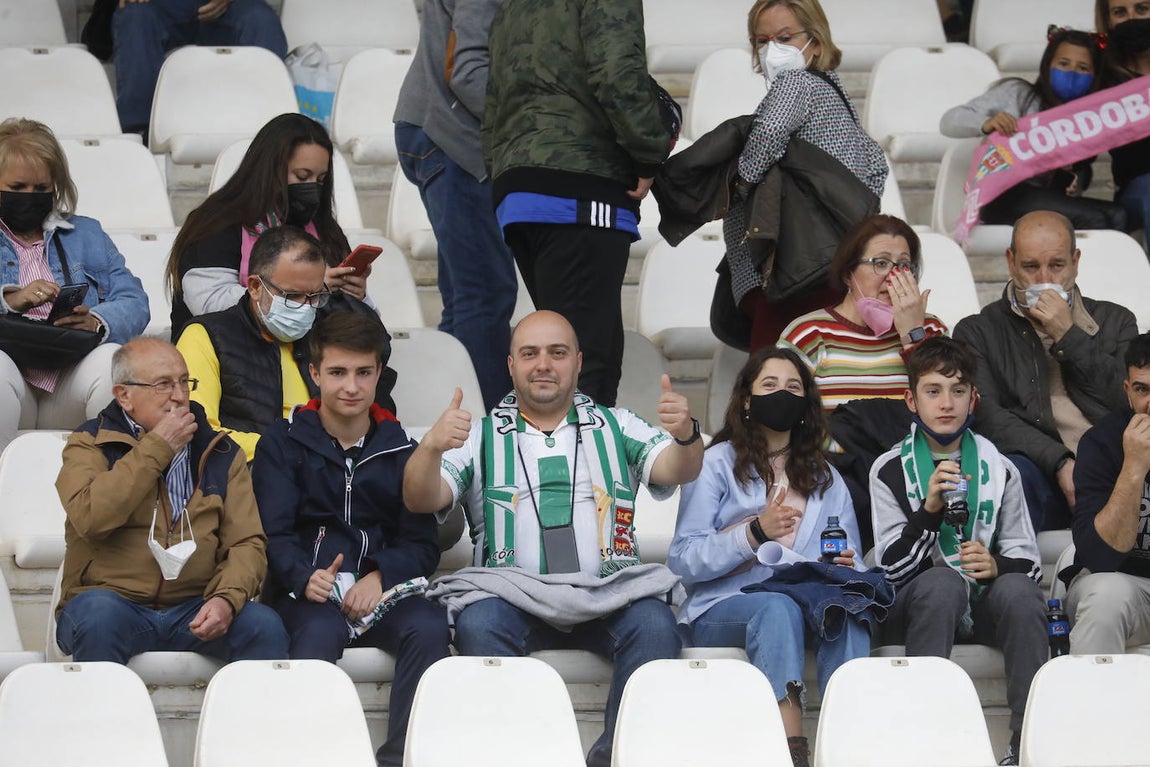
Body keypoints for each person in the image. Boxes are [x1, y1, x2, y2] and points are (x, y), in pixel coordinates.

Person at [403, 310, 704, 767]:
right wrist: (429, 447)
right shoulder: (479, 433)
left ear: (578, 362)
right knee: (479, 625)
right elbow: (421, 499)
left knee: (656, 626)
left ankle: (613, 757)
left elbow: (678, 468)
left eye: (557, 353)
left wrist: (686, 435)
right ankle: (526, 755)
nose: (543, 364)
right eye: (530, 353)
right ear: (510, 365)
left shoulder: (618, 424)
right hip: (512, 594)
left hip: (609, 593)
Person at [252, 312, 450, 767]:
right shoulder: (280, 444)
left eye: (364, 373)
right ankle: (315, 757)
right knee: (317, 632)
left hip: (383, 591)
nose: (351, 387)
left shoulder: (402, 448)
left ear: (379, 374)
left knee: (430, 626)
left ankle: (402, 758)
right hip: (306, 592)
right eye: (338, 373)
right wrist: (305, 577)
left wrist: (381, 574)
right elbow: (274, 533)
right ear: (314, 372)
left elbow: (423, 543)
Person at [668, 347, 873, 767]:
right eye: (770, 385)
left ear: (805, 404)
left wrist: (846, 565)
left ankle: (849, 743)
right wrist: (754, 533)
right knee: (777, 608)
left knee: (849, 607)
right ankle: (789, 749)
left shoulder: (825, 476)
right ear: (747, 399)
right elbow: (683, 559)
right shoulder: (714, 464)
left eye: (793, 387)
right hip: (722, 607)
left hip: (805, 602)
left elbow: (848, 554)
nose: (782, 393)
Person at [482, 0, 677, 407]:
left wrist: (506, 172)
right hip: (580, 185)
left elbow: (493, 105)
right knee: (586, 360)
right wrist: (648, 154)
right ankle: (583, 470)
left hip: (520, 189)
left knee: (565, 352)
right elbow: (617, 75)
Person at [54, 337, 288, 664]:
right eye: (163, 385)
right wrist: (157, 448)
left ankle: (247, 718)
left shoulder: (220, 451)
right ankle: (102, 716)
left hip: (194, 605)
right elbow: (91, 516)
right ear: (124, 395)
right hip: (112, 602)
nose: (179, 396)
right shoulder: (90, 443)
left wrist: (225, 599)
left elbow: (246, 542)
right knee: (98, 617)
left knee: (264, 626)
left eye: (184, 382)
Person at [871, 336, 1046, 767]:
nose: (946, 403)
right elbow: (890, 572)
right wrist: (928, 512)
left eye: (958, 390)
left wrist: (997, 564)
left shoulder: (999, 466)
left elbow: (1029, 561)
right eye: (933, 391)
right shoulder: (888, 469)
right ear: (911, 400)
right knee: (942, 583)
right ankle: (928, 740)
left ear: (974, 399)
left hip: (983, 605)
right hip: (919, 608)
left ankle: (1026, 742)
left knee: (1021, 592)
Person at [954, 210, 1137, 531]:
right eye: (1030, 267)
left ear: (1076, 261)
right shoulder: (978, 331)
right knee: (1010, 475)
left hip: (1117, 469)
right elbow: (987, 415)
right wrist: (1060, 461)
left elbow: (1129, 404)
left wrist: (1068, 335)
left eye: (1057, 265)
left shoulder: (1116, 320)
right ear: (1010, 262)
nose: (1044, 280)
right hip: (1040, 472)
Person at [727, 0, 888, 349]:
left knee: (776, 382)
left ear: (816, 42)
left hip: (793, 268)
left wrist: (740, 185)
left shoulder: (796, 84)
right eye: (761, 41)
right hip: (834, 262)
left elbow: (768, 133)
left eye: (785, 38)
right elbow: (876, 167)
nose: (773, 50)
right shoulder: (835, 93)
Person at [177, 225, 396, 462]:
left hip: (331, 475)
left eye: (315, 296)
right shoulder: (206, 335)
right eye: (292, 296)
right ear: (255, 287)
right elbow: (199, 432)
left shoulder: (328, 330)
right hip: (247, 480)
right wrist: (292, 449)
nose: (305, 307)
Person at [394, 0, 517, 411]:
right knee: (484, 295)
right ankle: (497, 431)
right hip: (452, 136)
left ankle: (449, 417)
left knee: (467, 299)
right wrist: (533, 126)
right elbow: (468, 74)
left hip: (440, 132)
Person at [0, 118, 149, 453]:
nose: (30, 196)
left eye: (41, 189)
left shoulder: (87, 234)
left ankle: (110, 484)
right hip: (11, 379)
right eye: (18, 187)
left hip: (68, 377)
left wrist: (97, 321)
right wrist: (10, 300)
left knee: (111, 358)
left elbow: (135, 300)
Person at [166, 112, 370, 337]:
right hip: (227, 360)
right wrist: (309, 290)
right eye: (302, 177)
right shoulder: (217, 224)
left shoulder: (325, 229)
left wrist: (357, 298)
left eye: (320, 180)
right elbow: (210, 304)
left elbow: (360, 330)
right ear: (269, 171)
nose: (313, 188)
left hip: (310, 364)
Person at [940, 27, 1126, 231]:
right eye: (1063, 64)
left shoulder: (1088, 118)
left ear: (1094, 76)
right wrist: (987, 123)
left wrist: (1075, 179)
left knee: (1119, 216)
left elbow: (1080, 173)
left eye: (1083, 68)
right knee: (1094, 220)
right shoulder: (1018, 93)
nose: (1072, 72)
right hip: (1005, 195)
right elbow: (949, 121)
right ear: (1048, 65)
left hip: (1048, 197)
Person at [1063, 332, 1150, 654]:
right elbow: (1101, 558)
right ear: (1128, 392)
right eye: (1142, 389)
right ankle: (1089, 704)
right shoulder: (1102, 442)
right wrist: (1134, 468)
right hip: (1124, 585)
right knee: (1106, 596)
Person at [112, 0, 287, 137]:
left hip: (233, 7)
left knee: (262, 21)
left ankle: (269, 131)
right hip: (162, 6)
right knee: (135, 17)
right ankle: (140, 132)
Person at [1095, 0, 1150, 236]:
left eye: (1142, 9)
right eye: (1120, 12)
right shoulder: (1100, 77)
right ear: (1107, 20)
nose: (1132, 19)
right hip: (1139, 189)